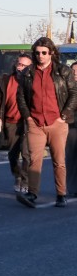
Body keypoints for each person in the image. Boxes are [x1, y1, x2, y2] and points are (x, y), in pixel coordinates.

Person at [16, 37, 77, 208]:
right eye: (37, 53)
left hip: (57, 122)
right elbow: (20, 96)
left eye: (44, 52)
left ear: (51, 53)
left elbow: (73, 93)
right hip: (36, 122)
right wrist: (28, 117)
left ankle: (61, 194)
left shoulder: (63, 71)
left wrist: (63, 116)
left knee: (59, 160)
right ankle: (32, 193)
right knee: (34, 160)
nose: (40, 56)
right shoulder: (28, 73)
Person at [0, 54, 32, 193]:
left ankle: (26, 181)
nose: (20, 67)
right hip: (10, 122)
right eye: (19, 64)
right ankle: (18, 176)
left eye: (25, 66)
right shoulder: (5, 80)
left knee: (27, 154)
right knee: (12, 154)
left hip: (28, 122)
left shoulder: (33, 81)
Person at [66, 62, 77, 196]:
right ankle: (73, 188)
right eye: (73, 70)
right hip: (72, 126)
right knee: (72, 158)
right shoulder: (65, 87)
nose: (75, 73)